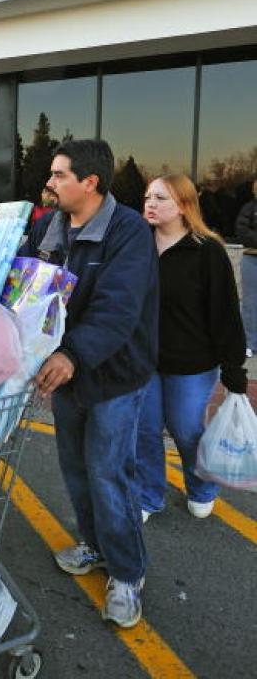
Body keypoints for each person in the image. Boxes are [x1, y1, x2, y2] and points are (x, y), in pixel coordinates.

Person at [19, 139, 158, 629]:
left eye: (59, 175)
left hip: (113, 376)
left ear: (90, 182)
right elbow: (23, 284)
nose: (50, 184)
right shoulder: (47, 226)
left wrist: (72, 355)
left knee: (108, 475)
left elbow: (118, 311)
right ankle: (94, 546)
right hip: (65, 371)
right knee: (76, 469)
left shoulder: (129, 232)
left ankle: (126, 574)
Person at [137, 174, 247, 522]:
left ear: (184, 206)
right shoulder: (136, 246)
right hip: (144, 359)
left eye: (161, 198)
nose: (151, 204)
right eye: (148, 197)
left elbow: (225, 313)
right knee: (144, 429)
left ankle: (201, 488)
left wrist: (233, 368)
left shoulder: (206, 250)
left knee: (185, 429)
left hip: (193, 363)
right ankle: (148, 494)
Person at [235, 176, 257, 358]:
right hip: (253, 259)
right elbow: (242, 231)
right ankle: (250, 342)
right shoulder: (249, 208)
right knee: (250, 303)